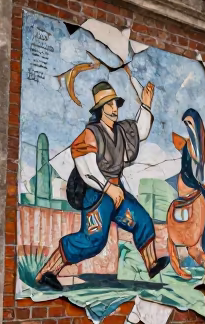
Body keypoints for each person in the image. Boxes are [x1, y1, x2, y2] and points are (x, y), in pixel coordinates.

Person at [35, 79, 169, 288]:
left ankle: (151, 264)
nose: (115, 108)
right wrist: (108, 188)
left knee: (141, 219)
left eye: (116, 104)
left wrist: (145, 105)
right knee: (93, 241)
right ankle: (47, 272)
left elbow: (140, 131)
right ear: (100, 109)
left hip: (116, 192)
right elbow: (87, 169)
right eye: (110, 104)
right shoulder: (90, 134)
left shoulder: (121, 131)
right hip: (96, 193)